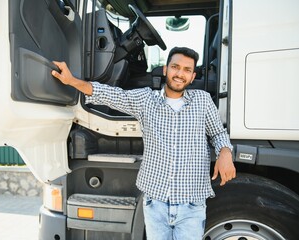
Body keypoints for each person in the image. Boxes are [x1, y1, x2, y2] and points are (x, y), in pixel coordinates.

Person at [51, 47, 236, 240]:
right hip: (155, 202)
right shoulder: (146, 99)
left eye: (187, 70)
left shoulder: (203, 100)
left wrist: (225, 152)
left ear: (192, 76)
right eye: (175, 67)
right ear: (165, 70)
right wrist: (72, 81)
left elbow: (218, 133)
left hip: (192, 203)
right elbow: (112, 95)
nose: (180, 74)